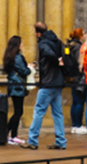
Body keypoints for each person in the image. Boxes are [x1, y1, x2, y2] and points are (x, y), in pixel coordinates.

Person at [26, 22, 67, 150]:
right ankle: (61, 141)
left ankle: (32, 140)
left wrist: (56, 60)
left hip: (48, 83)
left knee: (38, 111)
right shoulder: (57, 41)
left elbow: (49, 54)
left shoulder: (43, 43)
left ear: (39, 33)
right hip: (58, 82)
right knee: (58, 113)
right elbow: (65, 53)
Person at [4, 34, 31, 146]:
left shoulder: (10, 56)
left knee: (17, 111)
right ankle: (9, 133)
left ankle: (11, 134)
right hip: (18, 86)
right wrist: (30, 68)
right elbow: (24, 71)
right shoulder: (18, 57)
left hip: (14, 85)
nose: (22, 45)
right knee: (18, 111)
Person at [66, 28, 87, 134]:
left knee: (74, 102)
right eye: (83, 34)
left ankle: (74, 125)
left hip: (72, 77)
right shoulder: (78, 48)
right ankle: (78, 125)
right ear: (80, 36)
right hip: (78, 77)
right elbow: (80, 63)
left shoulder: (70, 46)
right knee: (79, 102)